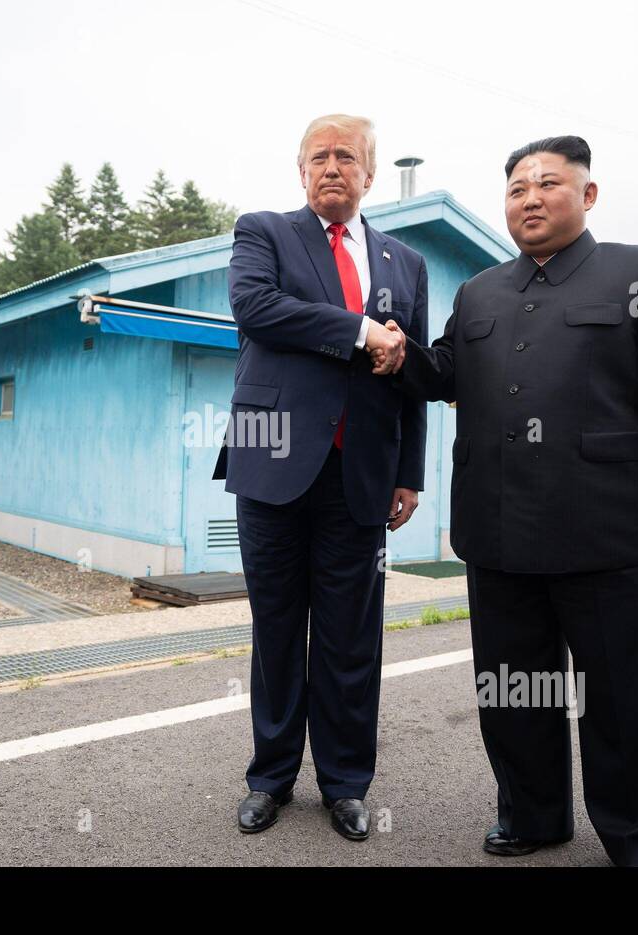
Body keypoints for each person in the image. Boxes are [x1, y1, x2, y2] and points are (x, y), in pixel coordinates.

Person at [375, 135, 638, 866]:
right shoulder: (481, 291)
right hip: (498, 528)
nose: (529, 198)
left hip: (608, 524)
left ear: (587, 196)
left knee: (625, 693)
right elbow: (446, 373)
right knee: (514, 687)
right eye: (517, 188)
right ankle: (533, 815)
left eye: (548, 184)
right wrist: (402, 356)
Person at [215, 113, 423, 841]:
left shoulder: (406, 263)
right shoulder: (263, 232)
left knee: (349, 636)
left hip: (362, 471)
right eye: (318, 157)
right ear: (300, 172)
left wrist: (409, 471)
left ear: (369, 174)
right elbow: (257, 310)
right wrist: (360, 330)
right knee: (276, 626)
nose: (332, 167)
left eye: (347, 157)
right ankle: (269, 777)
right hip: (269, 456)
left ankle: (345, 784)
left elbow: (413, 375)